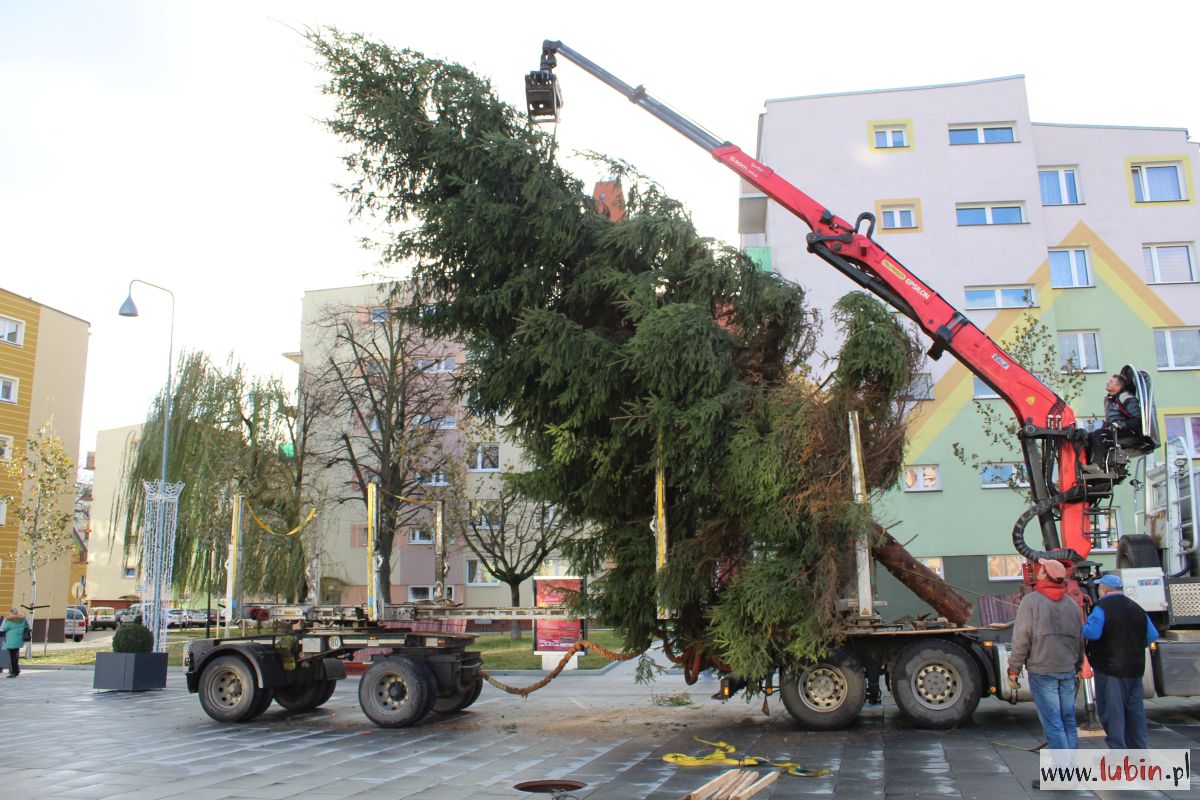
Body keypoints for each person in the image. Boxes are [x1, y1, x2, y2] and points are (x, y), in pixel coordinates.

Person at [1007, 558, 1085, 752]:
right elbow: (1080, 638)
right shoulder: (1071, 604)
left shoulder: (1031, 601)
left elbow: (1021, 638)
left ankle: (1062, 776)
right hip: (1067, 670)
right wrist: (1077, 664)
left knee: (1053, 723)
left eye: (1041, 570)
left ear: (1045, 576)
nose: (1038, 572)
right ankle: (1072, 772)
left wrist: (1013, 668)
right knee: (1068, 721)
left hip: (1043, 671)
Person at [1083, 573, 1159, 749]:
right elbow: (1152, 636)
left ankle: (1118, 753)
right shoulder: (1136, 607)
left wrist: (1082, 628)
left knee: (1113, 712)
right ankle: (1139, 752)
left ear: (1102, 589)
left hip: (1110, 669)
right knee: (1135, 713)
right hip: (1135, 668)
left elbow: (1092, 633)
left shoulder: (1101, 608)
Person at [1084, 374, 1141, 474]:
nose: (1107, 382)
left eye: (1110, 382)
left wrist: (1120, 424)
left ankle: (1098, 467)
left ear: (1118, 386)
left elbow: (1137, 419)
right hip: (1114, 429)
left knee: (1099, 435)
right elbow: (1109, 419)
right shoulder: (1108, 399)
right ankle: (1089, 466)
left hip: (1128, 431)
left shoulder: (1126, 398)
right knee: (1088, 437)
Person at [2, 608, 29, 678]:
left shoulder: (10, 620)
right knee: (15, 656)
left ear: (12, 613)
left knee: (13, 657)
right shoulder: (23, 619)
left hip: (12, 640)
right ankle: (16, 670)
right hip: (19, 639)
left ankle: (14, 672)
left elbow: (4, 628)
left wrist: (6, 620)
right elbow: (27, 627)